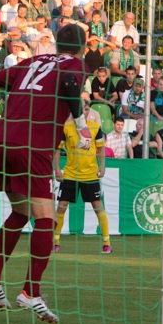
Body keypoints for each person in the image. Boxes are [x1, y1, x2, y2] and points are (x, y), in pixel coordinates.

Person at [0, 24, 89, 324]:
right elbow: (68, 82)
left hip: (1, 140)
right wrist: (80, 124)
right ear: (83, 46)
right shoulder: (76, 64)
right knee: (45, 218)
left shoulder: (32, 61)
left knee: (21, 212)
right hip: (32, 144)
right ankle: (30, 292)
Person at [53, 101, 110, 253]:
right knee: (61, 207)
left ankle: (106, 242)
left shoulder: (95, 127)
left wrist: (102, 165)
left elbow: (101, 148)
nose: (83, 112)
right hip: (70, 174)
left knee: (98, 207)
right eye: (81, 109)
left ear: (88, 110)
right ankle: (55, 241)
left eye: (86, 109)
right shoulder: (66, 127)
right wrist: (57, 168)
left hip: (90, 174)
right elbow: (57, 149)